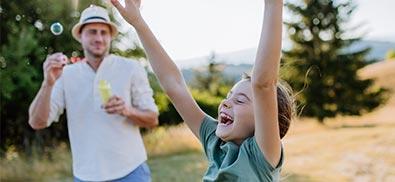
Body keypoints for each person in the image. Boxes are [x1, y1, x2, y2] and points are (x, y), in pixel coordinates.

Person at [111, 0, 294, 181]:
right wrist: (138, 23)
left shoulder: (262, 156)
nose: (225, 103)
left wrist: (273, 4)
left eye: (239, 100)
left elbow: (263, 85)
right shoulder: (215, 142)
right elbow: (174, 86)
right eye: (228, 97)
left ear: (266, 117)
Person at [28, 5, 158, 182]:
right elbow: (37, 122)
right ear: (80, 36)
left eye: (104, 32)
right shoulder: (66, 75)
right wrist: (48, 83)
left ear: (111, 37)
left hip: (131, 172)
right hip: (86, 176)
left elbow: (152, 119)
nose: (99, 38)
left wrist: (127, 110)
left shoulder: (131, 68)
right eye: (92, 32)